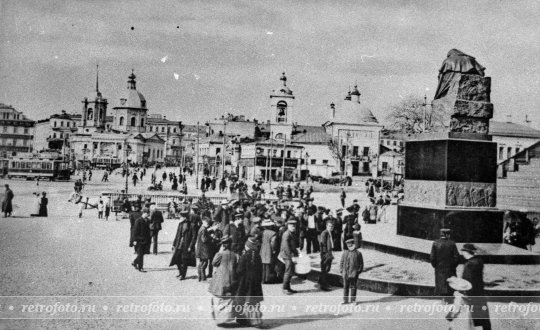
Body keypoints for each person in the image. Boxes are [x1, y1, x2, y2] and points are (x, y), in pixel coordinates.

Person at [209, 236, 239, 326]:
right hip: (231, 280)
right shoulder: (235, 255)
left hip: (220, 279)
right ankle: (227, 318)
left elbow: (214, 263)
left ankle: (219, 319)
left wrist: (219, 252)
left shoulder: (220, 254)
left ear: (223, 245)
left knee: (219, 298)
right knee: (229, 299)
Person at [460, 243, 491, 330]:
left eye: (463, 252)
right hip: (480, 293)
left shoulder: (469, 264)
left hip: (472, 294)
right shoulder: (479, 261)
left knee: (473, 318)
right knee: (484, 317)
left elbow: (468, 281)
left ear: (466, 252)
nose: (462, 254)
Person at [235, 237, 264, 327]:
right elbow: (260, 270)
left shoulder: (244, 256)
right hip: (255, 283)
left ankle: (242, 319)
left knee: (242, 300)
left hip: (245, 282)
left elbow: (239, 270)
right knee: (254, 301)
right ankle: (255, 320)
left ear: (247, 246)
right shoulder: (258, 256)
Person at [430, 228, 461, 303]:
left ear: (441, 234)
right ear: (447, 235)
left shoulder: (435, 243)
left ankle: (443, 299)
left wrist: (436, 266)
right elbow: (457, 257)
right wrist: (453, 266)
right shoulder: (452, 243)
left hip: (439, 268)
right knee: (450, 283)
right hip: (450, 268)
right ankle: (449, 299)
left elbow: (432, 258)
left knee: (441, 283)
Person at [170, 210, 196, 280]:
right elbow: (177, 235)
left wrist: (190, 246)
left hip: (186, 245)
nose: (180, 218)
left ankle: (183, 275)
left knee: (184, 260)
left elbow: (194, 237)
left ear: (185, 217)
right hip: (179, 244)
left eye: (181, 217)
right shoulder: (180, 224)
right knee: (177, 259)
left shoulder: (192, 225)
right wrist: (174, 244)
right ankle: (181, 272)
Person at [340, 239, 364, 304]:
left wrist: (358, 271)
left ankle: (353, 300)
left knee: (353, 286)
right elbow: (342, 262)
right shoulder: (345, 253)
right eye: (348, 246)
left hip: (354, 273)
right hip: (346, 273)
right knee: (345, 287)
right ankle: (345, 300)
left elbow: (361, 264)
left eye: (351, 245)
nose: (350, 247)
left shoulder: (358, 253)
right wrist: (341, 270)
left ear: (354, 245)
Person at [279, 219, 299, 295]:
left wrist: (297, 253)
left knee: (290, 271)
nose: (293, 227)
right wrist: (292, 256)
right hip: (287, 255)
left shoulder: (292, 233)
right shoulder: (286, 234)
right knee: (288, 272)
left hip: (290, 254)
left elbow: (293, 245)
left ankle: (288, 287)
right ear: (288, 226)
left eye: (294, 226)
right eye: (291, 226)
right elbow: (286, 247)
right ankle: (284, 288)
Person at [131, 208, 151, 272]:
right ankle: (140, 268)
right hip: (139, 240)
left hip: (145, 240)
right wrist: (134, 240)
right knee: (140, 254)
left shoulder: (147, 220)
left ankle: (134, 262)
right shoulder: (138, 221)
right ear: (144, 213)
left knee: (142, 253)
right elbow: (135, 231)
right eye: (147, 214)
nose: (148, 215)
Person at [260, 219, 278, 284]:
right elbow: (273, 243)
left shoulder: (262, 232)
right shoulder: (273, 233)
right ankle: (268, 279)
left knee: (263, 265)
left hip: (263, 248)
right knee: (269, 265)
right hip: (269, 249)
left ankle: (262, 279)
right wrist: (274, 250)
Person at [318, 219, 334, 291]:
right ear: (326, 226)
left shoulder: (329, 232)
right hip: (326, 253)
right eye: (329, 226)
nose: (331, 227)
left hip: (329, 252)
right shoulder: (324, 233)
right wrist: (324, 254)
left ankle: (321, 281)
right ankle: (323, 285)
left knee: (327, 268)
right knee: (325, 269)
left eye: (332, 226)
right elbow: (322, 244)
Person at [196, 217, 212, 281]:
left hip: (200, 248)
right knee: (205, 263)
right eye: (207, 224)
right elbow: (204, 239)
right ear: (204, 222)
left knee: (201, 262)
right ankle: (203, 277)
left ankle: (200, 277)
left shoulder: (201, 228)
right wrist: (210, 237)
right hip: (204, 249)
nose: (208, 225)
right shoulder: (204, 230)